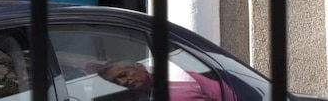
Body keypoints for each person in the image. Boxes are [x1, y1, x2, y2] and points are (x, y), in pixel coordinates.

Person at [98, 60, 232, 101]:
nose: (123, 82)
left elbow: (228, 95)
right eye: (116, 82)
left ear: (140, 67)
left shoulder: (182, 78)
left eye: (123, 74)